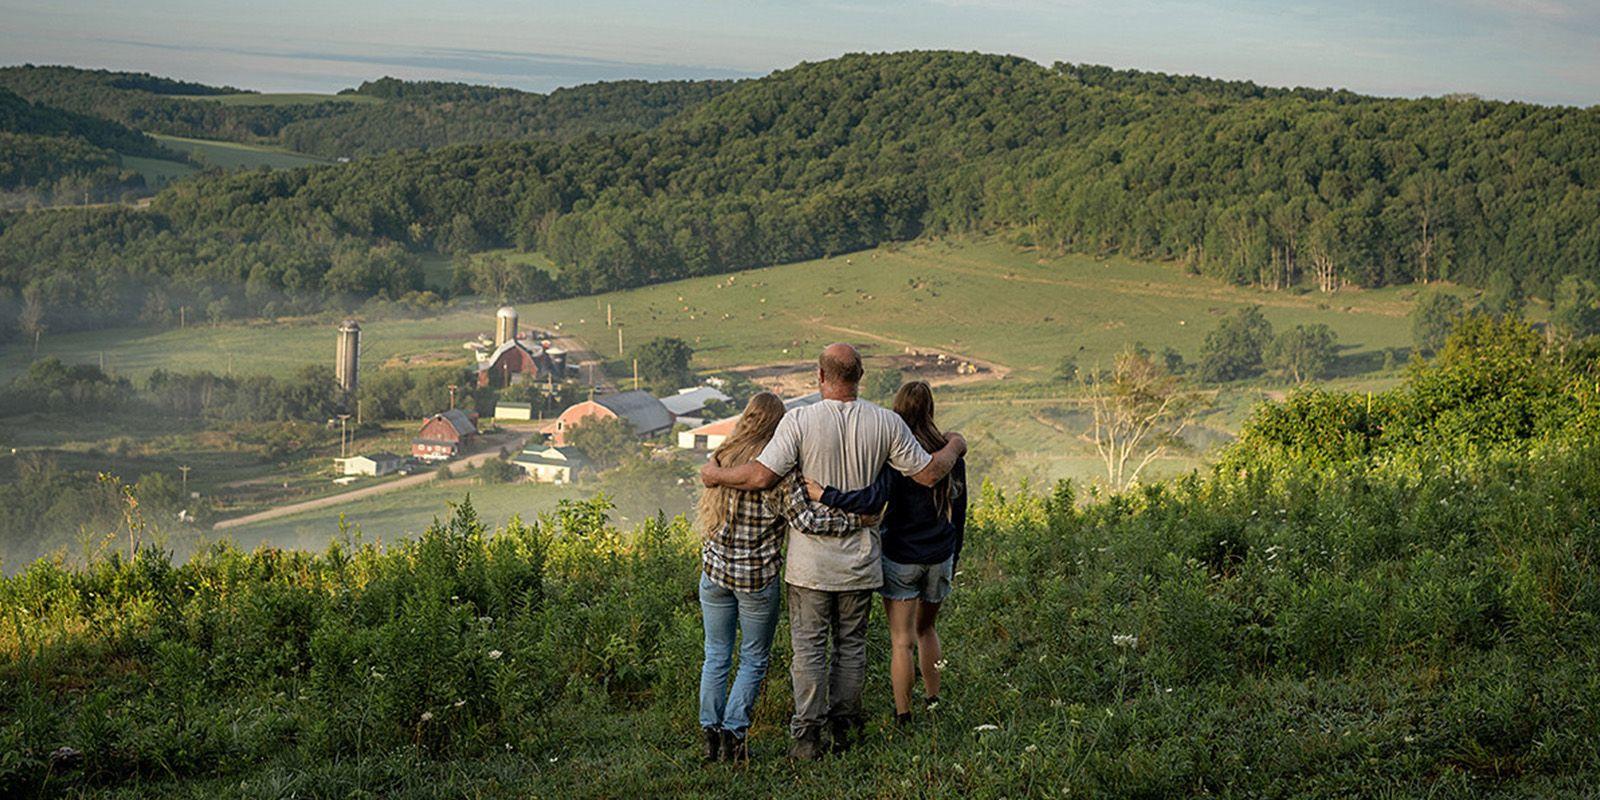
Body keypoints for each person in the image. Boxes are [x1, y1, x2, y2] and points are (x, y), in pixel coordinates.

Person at [700, 344, 966, 760]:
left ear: (820, 377)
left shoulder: (799, 421)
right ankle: (845, 728)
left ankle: (806, 737)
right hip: (860, 564)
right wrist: (956, 444)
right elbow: (930, 473)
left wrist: (715, 474)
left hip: (809, 567)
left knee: (808, 652)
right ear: (859, 377)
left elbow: (759, 476)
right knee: (851, 647)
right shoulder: (887, 422)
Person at [695, 392, 878, 764]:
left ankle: (710, 737)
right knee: (753, 658)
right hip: (755, 578)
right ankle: (735, 732)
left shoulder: (722, 459)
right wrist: (857, 519)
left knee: (716, 655)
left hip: (713, 573)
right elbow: (807, 521)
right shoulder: (778, 474)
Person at [805, 380, 967, 726]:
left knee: (901, 641)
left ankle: (903, 715)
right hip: (940, 555)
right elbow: (960, 513)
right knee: (928, 630)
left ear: (898, 410)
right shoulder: (950, 453)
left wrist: (826, 495)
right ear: (931, 409)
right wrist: (954, 555)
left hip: (900, 557)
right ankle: (933, 701)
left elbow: (872, 500)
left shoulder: (894, 454)